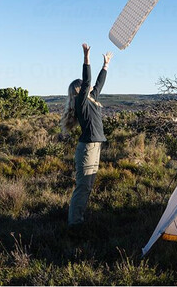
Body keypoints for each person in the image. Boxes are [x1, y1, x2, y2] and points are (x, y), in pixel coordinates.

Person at [61, 42, 113, 228]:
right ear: (80, 90)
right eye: (84, 86)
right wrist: (86, 58)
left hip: (95, 146)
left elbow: (98, 84)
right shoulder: (81, 103)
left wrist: (105, 65)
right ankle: (74, 224)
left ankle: (80, 218)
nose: (88, 87)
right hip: (87, 148)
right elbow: (89, 81)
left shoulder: (92, 100)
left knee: (88, 186)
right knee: (83, 187)